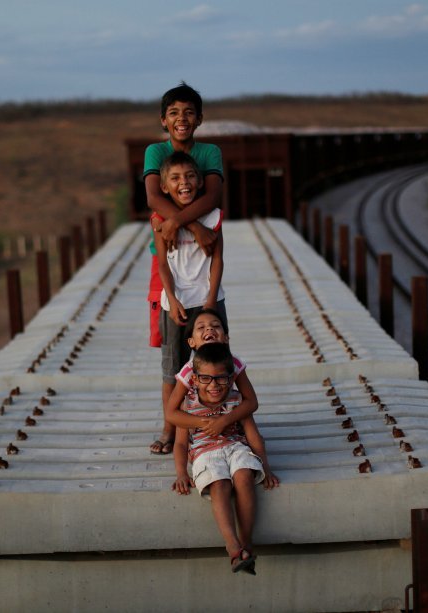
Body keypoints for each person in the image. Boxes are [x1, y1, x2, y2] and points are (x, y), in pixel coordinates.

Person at [144, 82, 224, 453]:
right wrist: (189, 226)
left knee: (210, 349)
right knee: (171, 355)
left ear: (200, 118)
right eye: (174, 113)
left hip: (201, 266)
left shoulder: (209, 152)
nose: (181, 119)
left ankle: (215, 419)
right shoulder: (155, 151)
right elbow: (154, 197)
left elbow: (212, 195)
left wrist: (177, 221)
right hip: (168, 260)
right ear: (163, 119)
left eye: (189, 112)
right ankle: (169, 427)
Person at [171, 343, 279, 575]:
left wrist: (266, 468)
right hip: (204, 453)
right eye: (206, 379)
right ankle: (232, 546)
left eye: (221, 379)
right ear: (195, 379)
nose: (213, 385)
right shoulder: (187, 406)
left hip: (236, 447)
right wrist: (181, 472)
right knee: (219, 484)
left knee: (243, 477)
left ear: (231, 379)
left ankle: (247, 543)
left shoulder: (237, 401)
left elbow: (253, 436)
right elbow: (180, 443)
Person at [164, 308, 258, 440]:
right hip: (199, 420)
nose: (209, 329)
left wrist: (223, 421)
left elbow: (252, 401)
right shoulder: (189, 370)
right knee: (182, 406)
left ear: (226, 338)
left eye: (215, 326)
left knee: (244, 407)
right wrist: (206, 423)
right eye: (201, 327)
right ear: (191, 342)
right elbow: (171, 413)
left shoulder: (234, 362)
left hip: (227, 412)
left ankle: (252, 443)